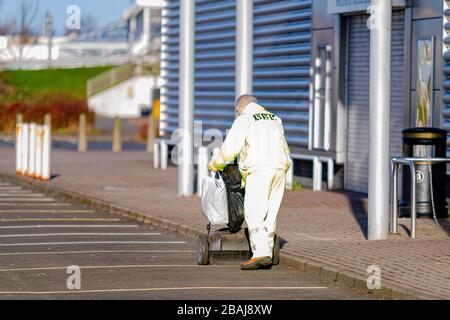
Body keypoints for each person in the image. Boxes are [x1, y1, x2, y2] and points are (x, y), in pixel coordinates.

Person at [208, 95, 291, 270]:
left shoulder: (244, 119)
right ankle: (267, 251)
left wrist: (215, 164)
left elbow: (230, 149)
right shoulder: (275, 118)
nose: (237, 113)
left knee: (253, 212)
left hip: (260, 169)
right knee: (270, 212)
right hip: (280, 168)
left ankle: (260, 253)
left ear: (241, 107)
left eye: (237, 111)